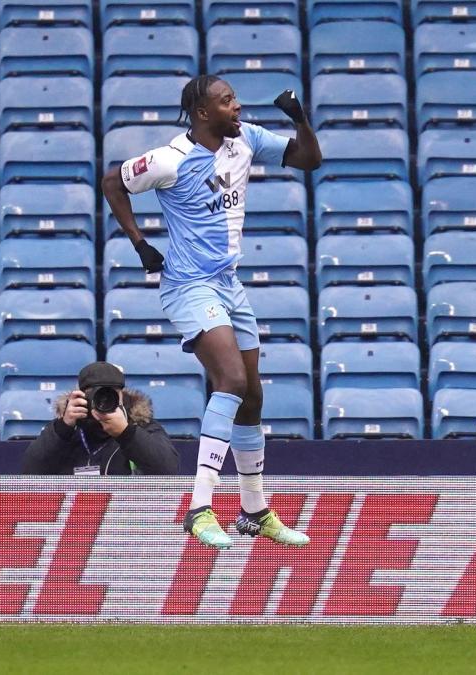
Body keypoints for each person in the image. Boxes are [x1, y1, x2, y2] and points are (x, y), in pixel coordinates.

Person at [101, 76, 322, 550]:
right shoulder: (168, 160)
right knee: (233, 382)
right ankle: (200, 508)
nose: (237, 105)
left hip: (228, 283)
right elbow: (111, 182)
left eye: (236, 98)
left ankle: (254, 511)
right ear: (203, 113)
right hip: (188, 284)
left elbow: (309, 159)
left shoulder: (247, 139)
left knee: (253, 397)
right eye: (227, 101)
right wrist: (140, 245)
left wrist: (300, 119)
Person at [21, 361, 179, 476]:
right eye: (96, 395)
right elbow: (29, 471)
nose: (103, 401)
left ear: (122, 397)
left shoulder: (142, 426)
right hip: (75, 515)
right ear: (82, 396)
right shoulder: (67, 429)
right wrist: (63, 427)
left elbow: (169, 470)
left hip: (124, 515)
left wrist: (126, 433)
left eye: (111, 395)